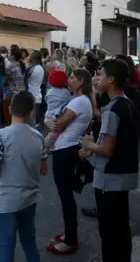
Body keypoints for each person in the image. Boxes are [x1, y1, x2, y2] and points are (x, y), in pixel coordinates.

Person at [80, 59, 140, 262]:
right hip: (124, 177)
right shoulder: (128, 104)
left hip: (109, 180)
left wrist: (89, 145)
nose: (97, 78)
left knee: (109, 233)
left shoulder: (113, 110)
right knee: (121, 230)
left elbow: (107, 148)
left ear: (112, 79)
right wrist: (94, 149)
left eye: (100, 74)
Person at [0, 90, 47, 262]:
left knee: (6, 245)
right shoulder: (38, 136)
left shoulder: (1, 136)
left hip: (8, 201)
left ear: (10, 108)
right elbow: (43, 169)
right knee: (29, 241)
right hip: (30, 198)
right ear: (31, 112)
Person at [45, 68, 93, 255]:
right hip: (65, 148)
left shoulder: (80, 101)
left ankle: (71, 239)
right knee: (65, 195)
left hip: (66, 150)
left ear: (81, 81)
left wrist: (46, 120)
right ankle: (69, 234)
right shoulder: (79, 100)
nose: (69, 81)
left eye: (72, 78)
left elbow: (58, 123)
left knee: (66, 196)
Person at [43, 70, 72, 148]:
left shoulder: (49, 92)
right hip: (60, 115)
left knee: (53, 130)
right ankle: (51, 141)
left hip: (49, 115)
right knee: (58, 131)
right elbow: (70, 101)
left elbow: (47, 100)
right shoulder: (67, 92)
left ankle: (49, 143)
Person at [25, 51, 45, 127]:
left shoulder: (32, 68)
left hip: (31, 96)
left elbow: (24, 77)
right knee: (35, 123)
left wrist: (26, 64)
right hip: (37, 95)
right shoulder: (41, 68)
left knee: (31, 123)